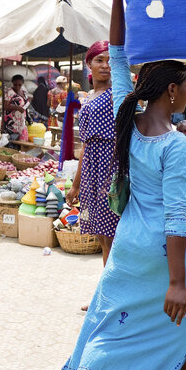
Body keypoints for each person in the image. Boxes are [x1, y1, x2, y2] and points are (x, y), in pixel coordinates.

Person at [52, 0, 186, 370]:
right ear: (172, 91)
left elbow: (121, 55)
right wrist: (176, 282)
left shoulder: (127, 117)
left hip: (127, 242)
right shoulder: (175, 146)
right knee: (175, 323)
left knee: (112, 320)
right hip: (162, 253)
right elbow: (174, 219)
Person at [65, 40, 117, 266]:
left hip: (111, 168)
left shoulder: (118, 95)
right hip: (91, 171)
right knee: (103, 236)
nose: (105, 65)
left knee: (112, 236)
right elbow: (85, 145)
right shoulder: (88, 98)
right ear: (89, 65)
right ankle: (107, 293)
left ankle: (111, 295)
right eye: (100, 60)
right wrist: (76, 184)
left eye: (110, 61)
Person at [2, 74, 29, 141]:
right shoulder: (9, 92)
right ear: (12, 83)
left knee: (20, 141)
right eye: (15, 85)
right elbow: (5, 106)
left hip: (21, 120)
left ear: (22, 83)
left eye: (19, 85)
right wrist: (17, 108)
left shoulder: (23, 91)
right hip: (12, 122)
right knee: (12, 140)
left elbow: (26, 101)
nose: (17, 87)